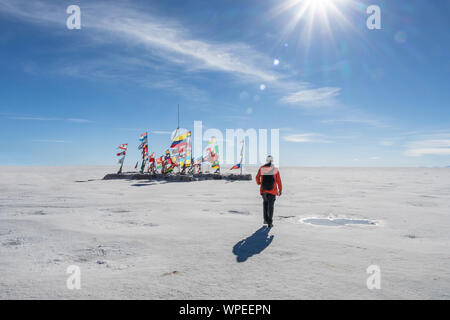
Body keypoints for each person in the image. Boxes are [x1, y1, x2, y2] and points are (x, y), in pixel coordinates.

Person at [255, 155, 282, 228]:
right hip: (272, 191)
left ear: (267, 160)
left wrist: (259, 183)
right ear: (272, 161)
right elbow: (278, 181)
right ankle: (270, 222)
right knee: (271, 206)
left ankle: (265, 220)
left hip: (264, 190)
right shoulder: (275, 169)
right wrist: (280, 189)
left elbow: (257, 177)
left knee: (265, 205)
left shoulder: (262, 168)